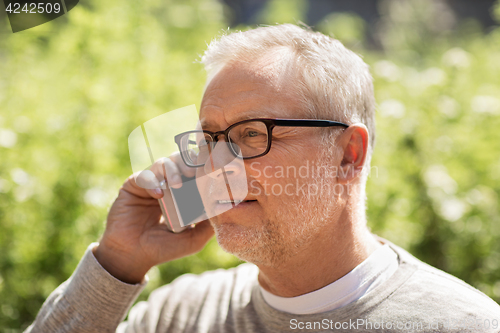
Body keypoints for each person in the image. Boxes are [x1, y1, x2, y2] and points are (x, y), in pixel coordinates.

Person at [25, 24, 500, 333]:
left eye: (253, 135)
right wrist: (116, 262)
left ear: (348, 155)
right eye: (210, 138)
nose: (219, 165)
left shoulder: (460, 325)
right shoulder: (180, 315)